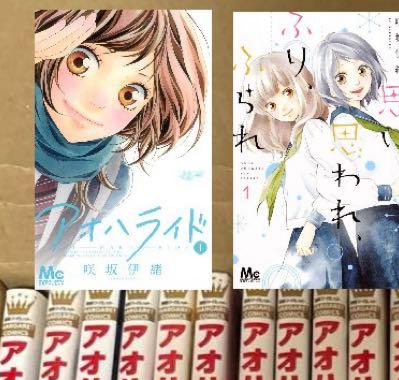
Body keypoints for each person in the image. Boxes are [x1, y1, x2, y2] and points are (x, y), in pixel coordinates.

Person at [34, 8, 208, 269]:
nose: (97, 102)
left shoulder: (111, 181)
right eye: (81, 62)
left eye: (130, 95)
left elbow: (46, 264)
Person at [314, 31, 399, 288]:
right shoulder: (345, 122)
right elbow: (343, 182)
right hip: (379, 218)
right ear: (328, 82)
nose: (355, 82)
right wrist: (389, 189)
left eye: (362, 70)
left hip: (388, 215)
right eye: (341, 77)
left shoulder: (363, 118)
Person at [246, 51, 344, 288]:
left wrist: (311, 226)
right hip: (306, 230)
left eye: (287, 92)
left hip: (317, 228)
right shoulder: (297, 137)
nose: (282, 107)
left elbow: (336, 179)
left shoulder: (313, 130)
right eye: (271, 104)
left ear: (303, 85)